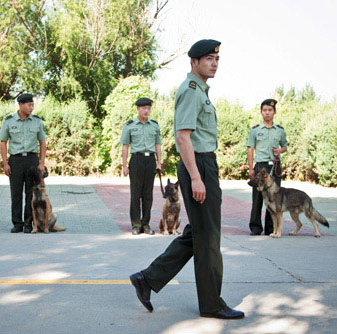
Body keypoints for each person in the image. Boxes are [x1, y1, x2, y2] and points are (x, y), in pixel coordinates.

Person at [129, 39, 244, 319]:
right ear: (193, 62)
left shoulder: (200, 91)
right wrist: (196, 177)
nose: (214, 63)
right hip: (199, 165)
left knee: (200, 233)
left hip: (205, 164)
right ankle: (211, 304)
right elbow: (183, 136)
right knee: (208, 238)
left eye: (217, 59)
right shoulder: (191, 91)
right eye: (208, 58)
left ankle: (147, 279)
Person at [0, 93, 46, 233]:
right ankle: (17, 223)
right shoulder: (9, 121)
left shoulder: (37, 121)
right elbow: (3, 142)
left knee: (31, 193)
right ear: (20, 105)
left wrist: (41, 163)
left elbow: (42, 142)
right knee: (16, 193)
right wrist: (5, 163)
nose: (31, 108)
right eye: (29, 105)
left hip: (32, 160)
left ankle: (28, 223)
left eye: (32, 105)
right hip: (16, 160)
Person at [120, 97, 162, 235]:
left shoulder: (154, 125)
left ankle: (146, 224)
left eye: (148, 108)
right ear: (138, 109)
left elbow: (158, 145)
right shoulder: (130, 125)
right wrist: (124, 165)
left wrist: (159, 162)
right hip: (136, 160)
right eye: (143, 108)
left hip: (150, 161)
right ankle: (136, 225)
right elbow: (125, 146)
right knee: (135, 194)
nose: (146, 111)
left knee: (148, 195)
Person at [247, 99, 288, 235]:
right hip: (261, 166)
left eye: (270, 110)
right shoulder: (255, 130)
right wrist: (251, 169)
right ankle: (255, 227)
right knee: (258, 198)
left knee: (274, 199)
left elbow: (285, 146)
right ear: (261, 112)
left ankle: (271, 228)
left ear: (274, 112)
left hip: (275, 166)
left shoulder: (280, 131)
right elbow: (250, 149)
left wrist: (279, 151)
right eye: (264, 110)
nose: (267, 113)